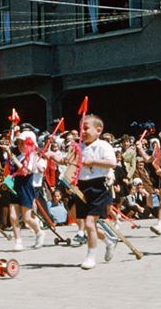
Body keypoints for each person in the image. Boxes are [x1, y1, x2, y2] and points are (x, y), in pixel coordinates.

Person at [46, 115, 119, 270]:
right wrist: (52, 156)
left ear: (98, 130)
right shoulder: (78, 147)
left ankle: (91, 256)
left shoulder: (103, 145)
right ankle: (108, 241)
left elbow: (113, 163)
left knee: (90, 223)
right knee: (87, 224)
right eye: (81, 128)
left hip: (99, 186)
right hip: (82, 187)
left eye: (86, 128)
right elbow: (65, 160)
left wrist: (93, 161)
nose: (83, 131)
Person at [9, 130, 47, 251]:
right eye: (19, 143)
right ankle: (18, 241)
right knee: (13, 216)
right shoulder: (19, 156)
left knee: (26, 218)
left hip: (26, 186)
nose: (19, 145)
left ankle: (39, 232)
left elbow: (26, 171)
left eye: (22, 143)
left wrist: (12, 158)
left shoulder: (32, 156)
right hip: (15, 186)